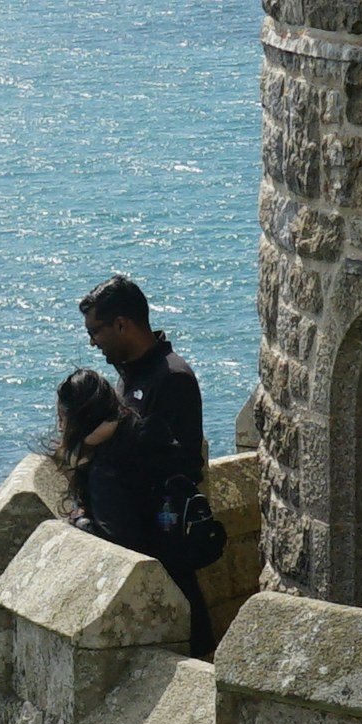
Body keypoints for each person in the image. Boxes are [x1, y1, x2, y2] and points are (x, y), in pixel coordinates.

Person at [72, 277, 224, 647]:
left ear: (122, 324)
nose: (92, 342)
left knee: (190, 634)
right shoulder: (131, 376)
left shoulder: (171, 377)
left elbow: (182, 463)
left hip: (163, 535)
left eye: (96, 331)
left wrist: (108, 442)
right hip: (134, 530)